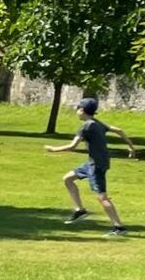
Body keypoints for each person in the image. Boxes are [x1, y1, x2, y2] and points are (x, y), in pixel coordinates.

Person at [45, 97, 137, 236]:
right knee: (68, 179)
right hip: (94, 162)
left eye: (77, 109)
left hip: (96, 165)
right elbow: (119, 130)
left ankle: (119, 227)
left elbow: (72, 146)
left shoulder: (86, 126)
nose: (76, 112)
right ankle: (80, 210)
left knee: (102, 197)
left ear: (82, 110)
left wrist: (53, 149)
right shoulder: (97, 123)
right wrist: (131, 147)